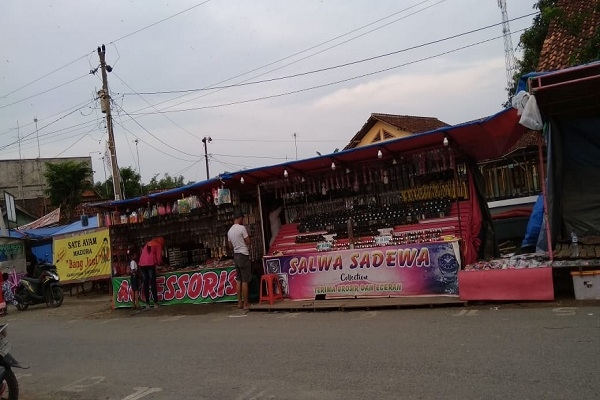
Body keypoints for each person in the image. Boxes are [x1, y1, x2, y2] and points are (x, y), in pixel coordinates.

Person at [227, 209, 251, 310]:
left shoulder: (230, 231)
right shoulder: (242, 228)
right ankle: (246, 304)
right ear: (240, 218)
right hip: (243, 255)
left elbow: (230, 246)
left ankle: (239, 303)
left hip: (236, 255)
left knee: (239, 280)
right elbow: (248, 241)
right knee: (245, 280)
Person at [138, 237, 164, 308]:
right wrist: (160, 264)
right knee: (152, 283)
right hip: (150, 264)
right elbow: (159, 258)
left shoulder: (147, 244)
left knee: (146, 283)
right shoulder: (158, 244)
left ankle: (147, 303)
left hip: (142, 265)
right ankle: (155, 303)